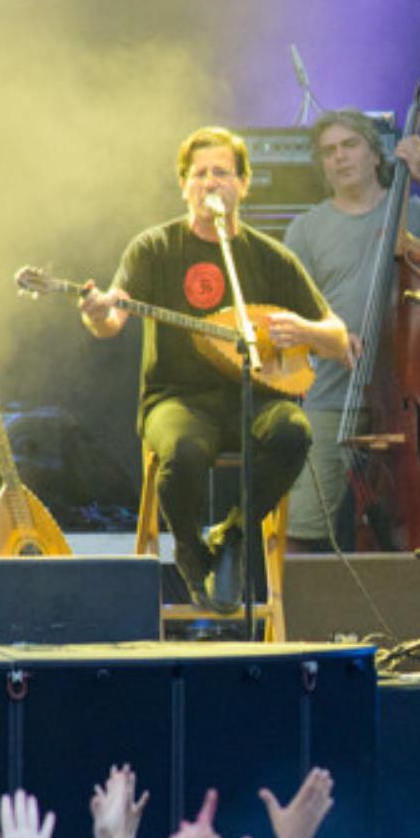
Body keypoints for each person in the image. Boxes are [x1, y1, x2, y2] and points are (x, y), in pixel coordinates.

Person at [80, 126, 347, 609]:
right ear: (183, 186)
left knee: (293, 432)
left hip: (255, 398)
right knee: (183, 451)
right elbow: (112, 319)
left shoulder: (270, 257)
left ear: (243, 184)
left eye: (221, 173)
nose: (209, 183)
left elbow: (339, 338)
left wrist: (305, 331)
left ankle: (233, 536)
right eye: (199, 174)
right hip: (176, 399)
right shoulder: (154, 248)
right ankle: (190, 550)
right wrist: (97, 313)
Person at [281, 110, 420, 552]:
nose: (340, 157)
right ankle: (303, 601)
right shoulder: (305, 229)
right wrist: (327, 337)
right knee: (303, 527)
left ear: (376, 154)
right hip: (333, 394)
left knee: (419, 523)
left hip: (409, 399)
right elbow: (290, 315)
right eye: (329, 151)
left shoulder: (413, 212)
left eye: (350, 145)